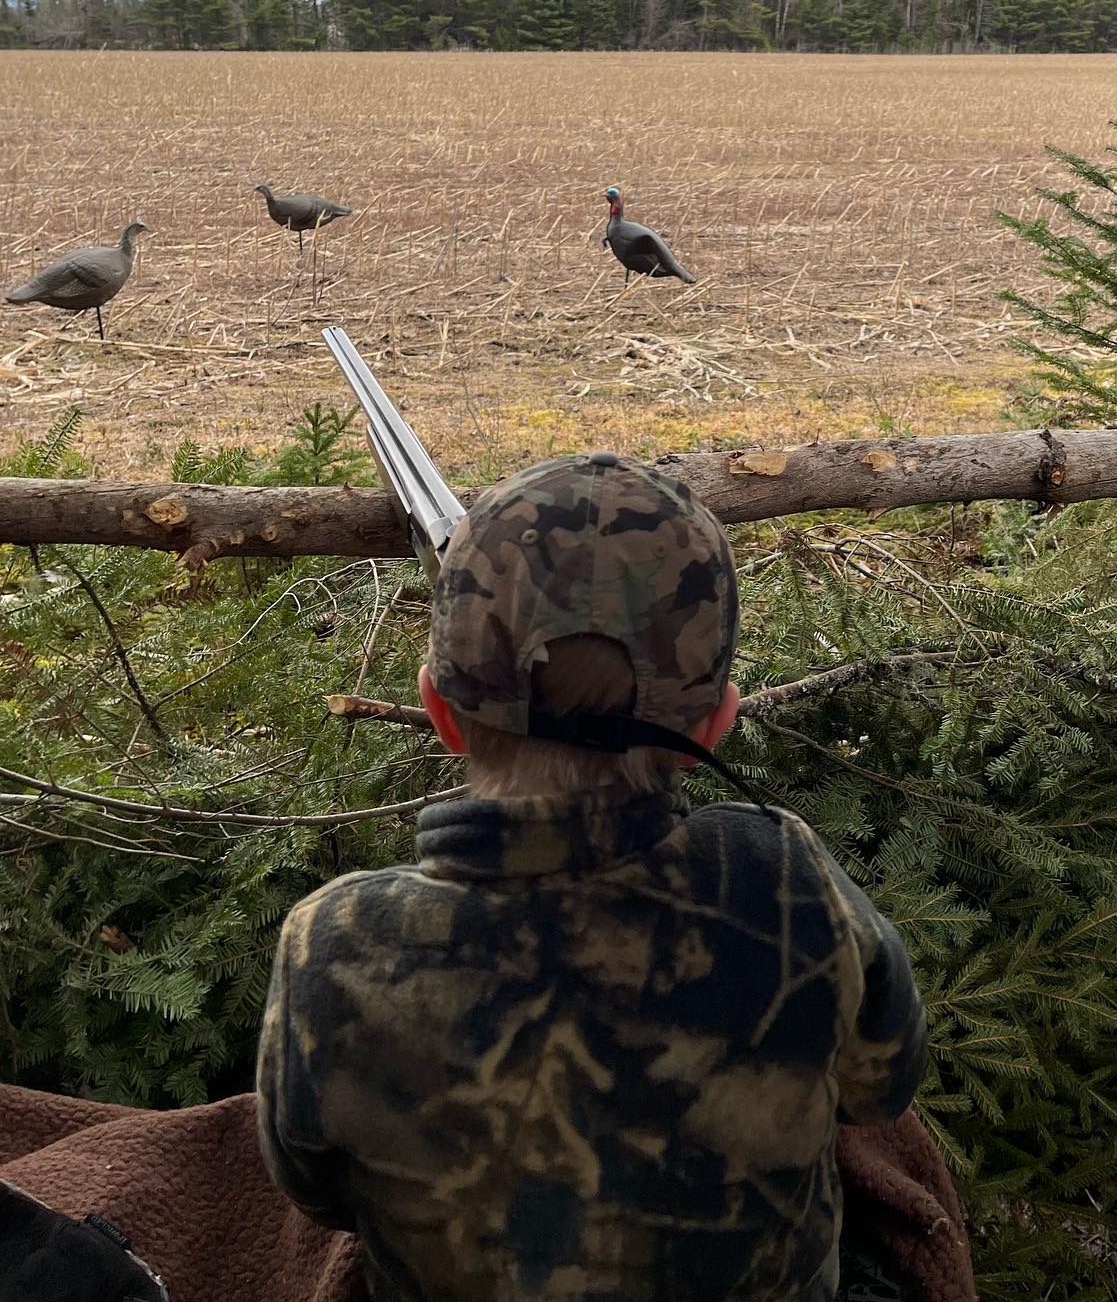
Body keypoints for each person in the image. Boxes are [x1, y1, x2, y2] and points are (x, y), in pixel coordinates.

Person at [256, 452, 928, 1302]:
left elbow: (314, 1191)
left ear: (437, 711)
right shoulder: (782, 878)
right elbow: (882, 1085)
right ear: (715, 726)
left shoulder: (333, 946)